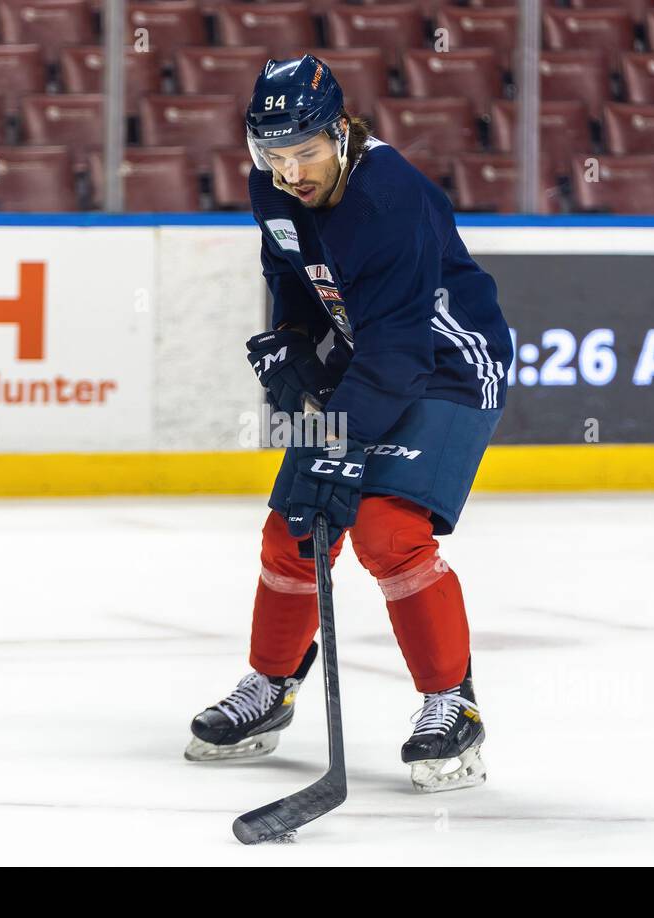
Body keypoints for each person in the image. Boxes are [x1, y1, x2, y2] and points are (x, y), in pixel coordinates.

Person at [184, 55, 514, 793]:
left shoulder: (388, 199)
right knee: (293, 526)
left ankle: (450, 703)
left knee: (385, 530)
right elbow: (291, 272)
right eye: (273, 153)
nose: (290, 169)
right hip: (370, 358)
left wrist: (340, 440)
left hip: (450, 365)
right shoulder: (271, 186)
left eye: (305, 150)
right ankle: (269, 688)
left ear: (341, 133)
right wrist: (292, 342)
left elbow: (401, 350)